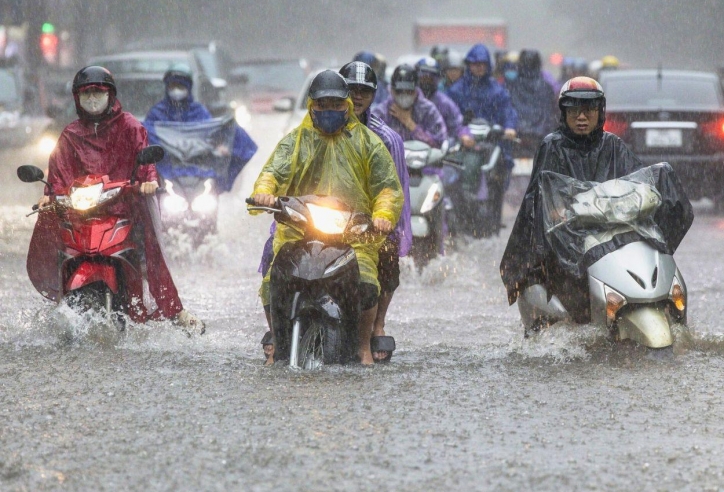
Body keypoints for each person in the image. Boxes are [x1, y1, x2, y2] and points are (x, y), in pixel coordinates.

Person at [500, 77, 693, 331]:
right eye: (574, 110)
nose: (582, 116)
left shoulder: (613, 145)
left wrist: (649, 199)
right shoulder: (552, 147)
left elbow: (637, 184)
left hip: (610, 234)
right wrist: (557, 212)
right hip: (568, 240)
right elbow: (539, 200)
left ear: (600, 112)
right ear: (564, 112)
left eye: (589, 109)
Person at [33, 66, 204, 332]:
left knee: (150, 251)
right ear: (77, 98)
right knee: (58, 241)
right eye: (86, 94)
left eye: (97, 93)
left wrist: (148, 181)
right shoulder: (70, 134)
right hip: (81, 213)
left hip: (124, 208)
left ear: (110, 95)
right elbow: (58, 171)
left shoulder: (131, 127)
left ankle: (173, 310)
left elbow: (144, 160)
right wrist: (48, 194)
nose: (92, 99)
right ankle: (58, 304)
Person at [250, 70, 403, 366]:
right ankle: (276, 340)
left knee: (368, 281)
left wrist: (383, 215)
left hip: (353, 233)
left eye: (336, 104)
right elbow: (272, 172)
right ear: (312, 106)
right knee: (272, 279)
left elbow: (386, 187)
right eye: (323, 105)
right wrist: (264, 192)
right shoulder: (295, 141)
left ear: (346, 104)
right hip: (300, 230)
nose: (329, 110)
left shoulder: (369, 143)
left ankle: (362, 347)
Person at [340, 61, 412, 362]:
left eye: (364, 93)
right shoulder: (315, 129)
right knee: (275, 252)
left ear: (373, 97)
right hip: (322, 216)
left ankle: (377, 323)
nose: (357, 98)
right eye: (351, 91)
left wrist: (391, 226)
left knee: (388, 252)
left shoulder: (387, 139)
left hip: (368, 223)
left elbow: (395, 191)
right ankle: (279, 331)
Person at [144, 63, 257, 193]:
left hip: (199, 172)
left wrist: (222, 145)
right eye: (173, 86)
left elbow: (212, 134)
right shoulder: (157, 113)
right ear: (167, 87)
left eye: (180, 86)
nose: (176, 90)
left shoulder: (199, 112)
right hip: (168, 172)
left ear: (188, 87)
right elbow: (145, 138)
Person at [372, 64, 447, 148]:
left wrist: (410, 123)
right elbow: (370, 143)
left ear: (416, 90)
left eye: (409, 91)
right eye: (399, 91)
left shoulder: (428, 110)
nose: (404, 95)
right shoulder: (381, 112)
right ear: (391, 90)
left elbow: (439, 143)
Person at [415, 56, 474, 148]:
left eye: (430, 78)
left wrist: (465, 135)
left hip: (436, 151)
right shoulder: (407, 100)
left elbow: (457, 124)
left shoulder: (445, 103)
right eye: (424, 77)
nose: (427, 81)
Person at [505, 50, 557, 149]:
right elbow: (550, 113)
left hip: (516, 136)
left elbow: (507, 110)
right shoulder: (546, 87)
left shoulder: (511, 85)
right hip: (540, 137)